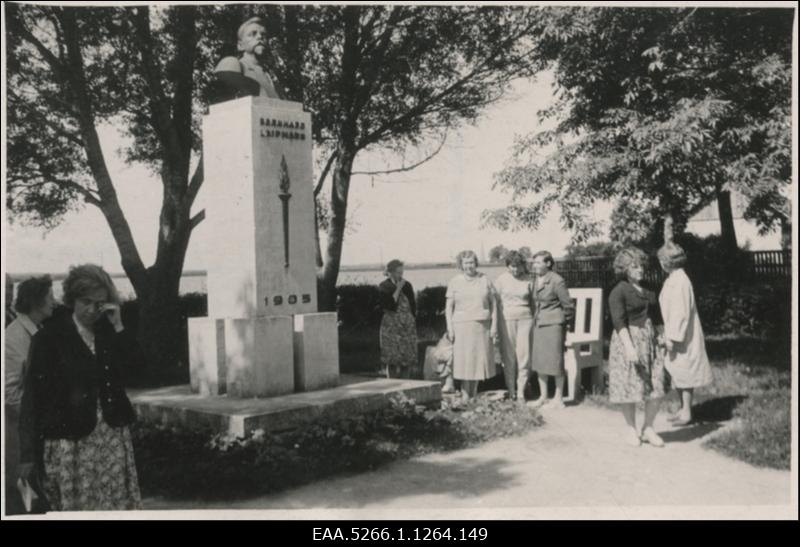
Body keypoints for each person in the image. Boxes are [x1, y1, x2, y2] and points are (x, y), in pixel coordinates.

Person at [18, 264, 145, 511]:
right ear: (71, 299)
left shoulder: (109, 333)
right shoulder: (49, 338)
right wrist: (27, 455)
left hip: (111, 441)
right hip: (71, 445)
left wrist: (119, 327)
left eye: (99, 303)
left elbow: (138, 372)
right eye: (85, 301)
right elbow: (32, 399)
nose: (92, 309)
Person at [5, 276, 56, 514]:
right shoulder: (12, 338)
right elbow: (9, 393)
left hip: (38, 432)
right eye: (50, 297)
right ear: (36, 302)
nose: (54, 302)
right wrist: (36, 417)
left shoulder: (40, 331)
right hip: (20, 435)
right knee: (25, 501)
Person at [608, 248, 667, 447]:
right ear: (625, 269)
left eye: (641, 265)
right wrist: (629, 347)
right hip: (628, 341)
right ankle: (630, 429)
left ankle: (648, 428)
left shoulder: (649, 289)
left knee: (657, 384)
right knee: (630, 386)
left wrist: (662, 334)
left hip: (650, 341)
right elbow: (618, 322)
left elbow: (657, 316)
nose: (640, 270)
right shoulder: (619, 290)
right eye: (635, 267)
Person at [658, 242, 713, 426]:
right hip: (676, 331)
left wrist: (673, 337)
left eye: (661, 260)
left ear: (667, 262)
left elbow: (680, 312)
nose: (660, 263)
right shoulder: (673, 279)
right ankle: (683, 409)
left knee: (685, 371)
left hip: (682, 334)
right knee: (678, 371)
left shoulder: (680, 281)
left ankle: (687, 412)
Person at [445, 250, 498, 400]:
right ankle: (464, 394)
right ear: (461, 265)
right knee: (464, 361)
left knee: (477, 361)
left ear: (476, 263)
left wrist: (494, 326)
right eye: (466, 263)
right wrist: (450, 328)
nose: (470, 266)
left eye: (472, 262)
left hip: (481, 326)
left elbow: (494, 305)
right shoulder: (455, 281)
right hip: (461, 326)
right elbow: (449, 307)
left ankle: (473, 394)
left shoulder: (485, 279)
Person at [529, 251, 575, 409]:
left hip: (554, 325)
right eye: (534, 263)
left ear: (548, 264)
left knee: (555, 362)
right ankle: (543, 397)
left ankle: (558, 398)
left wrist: (563, 324)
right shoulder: (535, 279)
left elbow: (568, 306)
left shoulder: (557, 281)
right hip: (540, 324)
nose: (534, 265)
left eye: (538, 262)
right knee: (540, 361)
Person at [212, 17, 284, 102]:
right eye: (253, 34)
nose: (260, 37)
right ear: (240, 45)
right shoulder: (233, 64)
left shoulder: (269, 75)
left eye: (263, 35)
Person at [494, 251, 534, 402]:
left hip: (526, 319)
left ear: (523, 266)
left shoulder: (529, 279)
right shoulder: (500, 280)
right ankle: (511, 391)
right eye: (512, 266)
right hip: (506, 320)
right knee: (509, 357)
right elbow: (495, 303)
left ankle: (522, 391)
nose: (516, 270)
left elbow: (534, 302)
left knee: (524, 356)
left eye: (518, 266)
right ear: (507, 266)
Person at [378, 259, 417, 379]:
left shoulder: (408, 285)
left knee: (407, 357)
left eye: (401, 272)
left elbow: (412, 305)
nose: (400, 275)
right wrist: (398, 288)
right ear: (390, 272)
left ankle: (406, 383)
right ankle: (392, 384)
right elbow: (389, 306)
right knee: (392, 357)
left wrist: (411, 320)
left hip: (406, 325)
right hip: (391, 324)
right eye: (397, 272)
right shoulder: (384, 286)